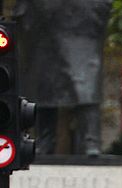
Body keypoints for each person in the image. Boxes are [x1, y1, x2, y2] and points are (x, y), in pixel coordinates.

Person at [14, 0, 112, 155]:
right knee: (44, 89)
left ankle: (91, 141)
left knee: (86, 89)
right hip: (44, 32)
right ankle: (44, 141)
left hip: (83, 28)